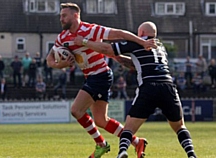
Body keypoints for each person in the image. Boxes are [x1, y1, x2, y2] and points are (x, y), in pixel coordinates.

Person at [46, 3, 155, 158]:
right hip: (92, 77)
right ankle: (137, 142)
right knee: (101, 120)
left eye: (64, 16)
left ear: (75, 15)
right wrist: (60, 65)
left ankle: (101, 145)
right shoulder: (62, 37)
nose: (61, 19)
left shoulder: (90, 30)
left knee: (76, 110)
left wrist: (142, 42)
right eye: (60, 16)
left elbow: (120, 34)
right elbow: (49, 59)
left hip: (100, 75)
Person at [74, 21, 197, 158]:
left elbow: (106, 49)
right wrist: (119, 59)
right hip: (168, 86)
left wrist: (84, 42)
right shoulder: (160, 47)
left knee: (129, 127)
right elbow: (137, 64)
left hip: (149, 87)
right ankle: (191, 154)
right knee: (179, 127)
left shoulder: (137, 42)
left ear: (141, 34)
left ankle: (122, 152)